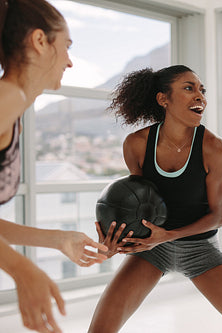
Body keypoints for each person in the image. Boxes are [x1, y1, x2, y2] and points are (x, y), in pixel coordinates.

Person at [88, 65, 222, 333]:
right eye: (189, 88)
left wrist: (169, 234)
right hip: (152, 250)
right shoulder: (136, 144)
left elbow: (217, 216)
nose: (200, 97)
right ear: (163, 99)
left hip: (201, 249)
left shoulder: (213, 148)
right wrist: (116, 241)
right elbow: (139, 204)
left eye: (202, 90)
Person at [0, 1, 108, 332]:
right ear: (40, 41)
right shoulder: (6, 100)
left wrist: (58, 239)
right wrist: (20, 268)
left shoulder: (13, 108)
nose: (70, 61)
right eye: (67, 47)